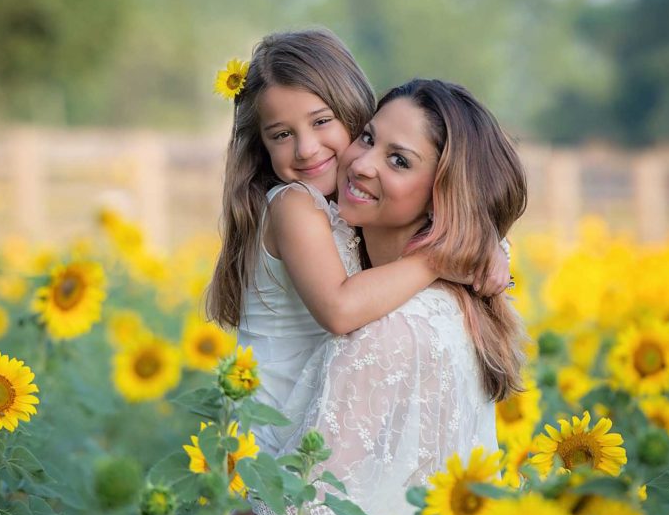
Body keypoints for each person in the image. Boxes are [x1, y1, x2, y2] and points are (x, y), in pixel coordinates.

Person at [205, 30, 511, 456]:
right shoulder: (294, 204)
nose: (307, 149)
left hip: (319, 432)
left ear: (353, 111)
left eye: (321, 121)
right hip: (267, 448)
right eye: (281, 135)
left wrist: (483, 241)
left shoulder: (344, 206)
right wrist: (437, 260)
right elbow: (340, 308)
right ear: (262, 146)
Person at [257, 79, 528, 515]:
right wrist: (463, 246)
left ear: (443, 193)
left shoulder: (386, 332)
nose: (361, 164)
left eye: (398, 160)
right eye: (367, 137)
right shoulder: (454, 301)